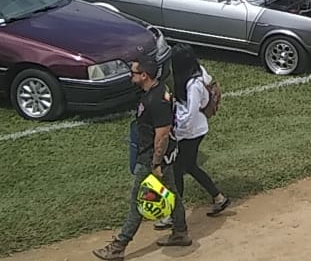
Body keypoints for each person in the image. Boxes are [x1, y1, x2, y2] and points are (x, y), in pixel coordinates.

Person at [92, 55, 174, 260]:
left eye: (134, 73)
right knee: (172, 193)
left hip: (151, 159)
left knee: (139, 201)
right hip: (158, 156)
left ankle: (119, 246)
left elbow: (162, 134)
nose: (131, 76)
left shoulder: (156, 100)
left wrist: (156, 162)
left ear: (144, 76)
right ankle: (180, 231)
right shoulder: (155, 91)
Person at [152, 44, 230, 247]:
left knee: (178, 169)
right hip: (192, 131)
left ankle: (174, 214)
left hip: (192, 132)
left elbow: (191, 114)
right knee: (187, 167)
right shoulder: (198, 72)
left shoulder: (193, 84)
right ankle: (218, 197)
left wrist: (175, 130)